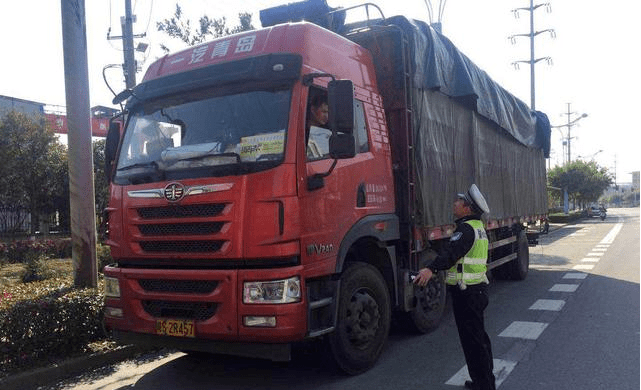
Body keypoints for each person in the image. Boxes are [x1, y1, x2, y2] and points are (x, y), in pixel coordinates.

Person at [414, 184, 496, 390]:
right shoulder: (477, 227)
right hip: (475, 290)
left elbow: (451, 255)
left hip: (468, 293)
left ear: (467, 208)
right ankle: (482, 381)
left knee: (474, 343)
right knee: (478, 340)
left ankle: (484, 386)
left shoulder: (466, 229)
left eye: (459, 201)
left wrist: (430, 269)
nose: (455, 203)